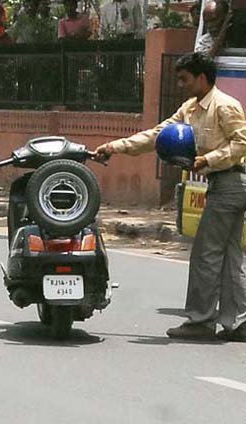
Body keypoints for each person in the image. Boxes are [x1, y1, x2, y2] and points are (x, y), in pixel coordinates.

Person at [94, 52, 246, 341]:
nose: (180, 84)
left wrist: (208, 160)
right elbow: (157, 135)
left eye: (184, 79)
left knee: (206, 254)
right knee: (229, 255)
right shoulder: (189, 109)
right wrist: (116, 146)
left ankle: (201, 321)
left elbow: (242, 144)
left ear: (202, 77)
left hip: (232, 183)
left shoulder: (225, 106)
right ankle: (238, 323)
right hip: (221, 183)